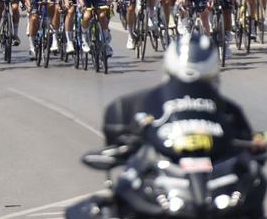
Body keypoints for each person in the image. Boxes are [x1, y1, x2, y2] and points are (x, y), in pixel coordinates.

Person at [98, 34, 256, 152]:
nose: (192, 88)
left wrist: (257, 145)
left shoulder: (229, 111)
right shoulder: (150, 104)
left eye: (202, 83)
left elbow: (250, 149)